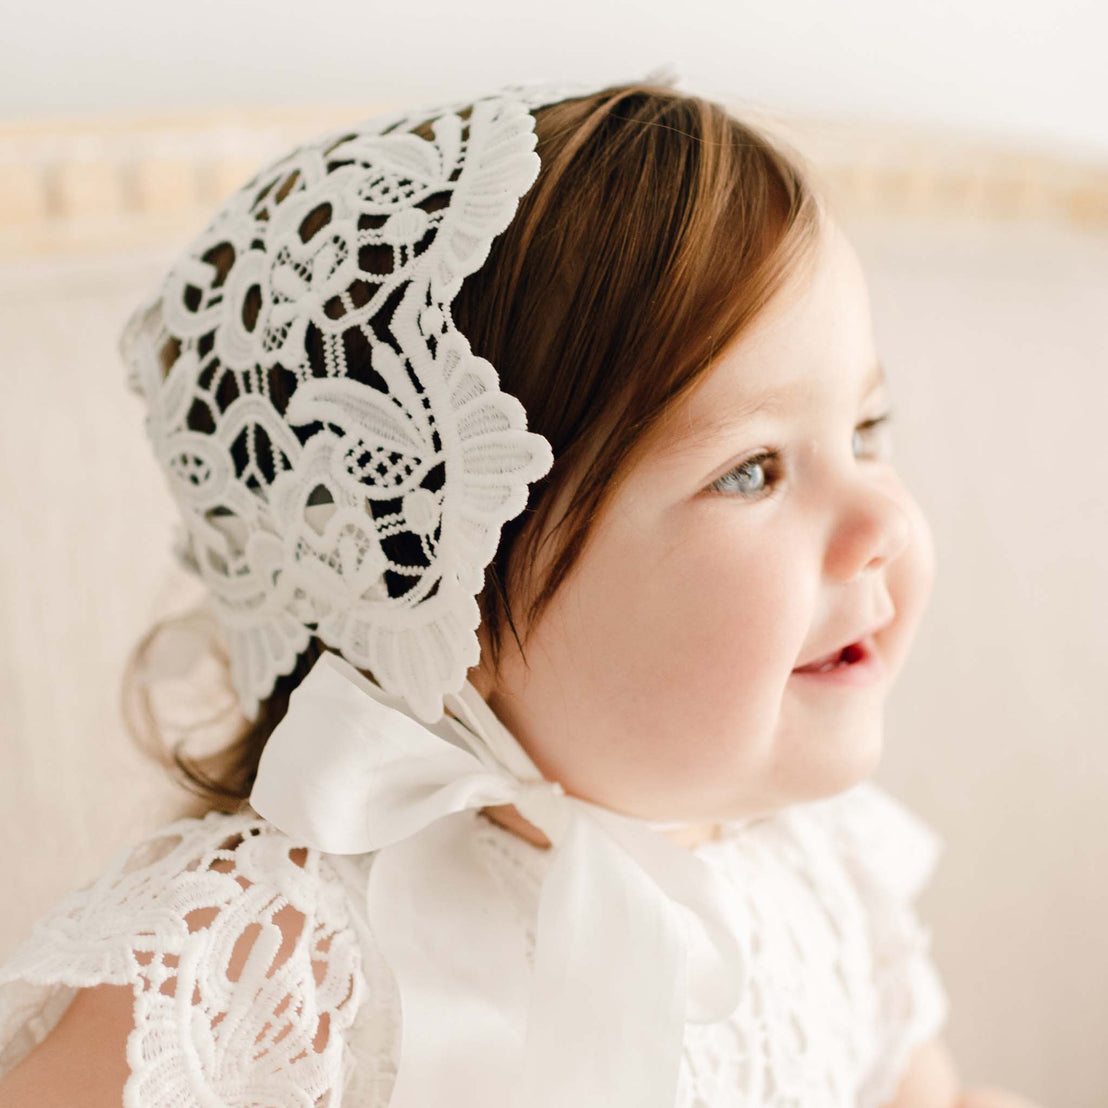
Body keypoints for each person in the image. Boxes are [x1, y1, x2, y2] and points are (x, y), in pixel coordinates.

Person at [0, 73, 1044, 1108]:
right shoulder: (269, 961)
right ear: (437, 592)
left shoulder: (823, 872)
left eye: (865, 433)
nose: (885, 525)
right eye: (751, 470)